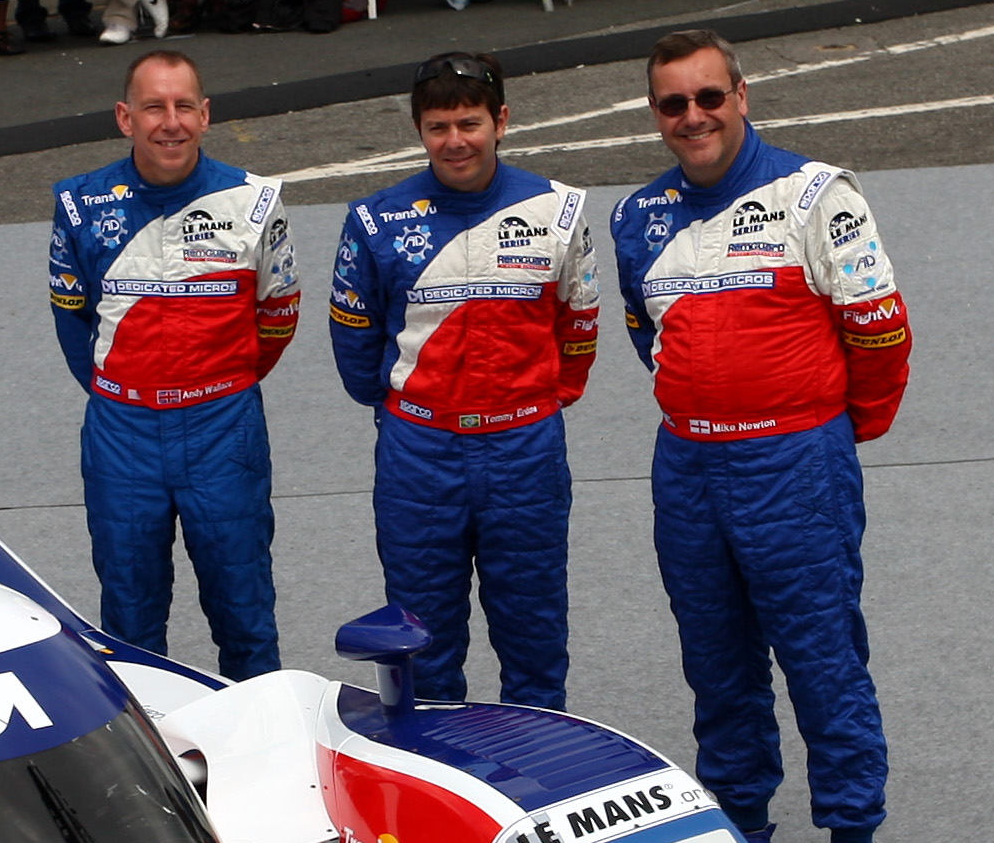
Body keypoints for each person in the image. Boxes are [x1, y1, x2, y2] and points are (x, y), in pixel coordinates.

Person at [611, 28, 912, 843]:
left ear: (741, 95)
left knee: (823, 661)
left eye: (708, 97)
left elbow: (880, 334)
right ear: (656, 114)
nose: (692, 117)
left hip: (794, 466)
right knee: (718, 668)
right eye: (673, 104)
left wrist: (824, 431)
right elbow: (642, 334)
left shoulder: (817, 194)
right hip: (690, 468)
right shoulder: (634, 216)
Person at [329, 50, 600, 708]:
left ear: (499, 121)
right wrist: (411, 409)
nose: (455, 141)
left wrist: (530, 402)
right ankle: (437, 797)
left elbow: (580, 326)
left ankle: (535, 784)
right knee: (421, 645)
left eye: (469, 123)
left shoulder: (557, 211)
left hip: (523, 451)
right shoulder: (374, 221)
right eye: (438, 127)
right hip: (420, 454)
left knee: (534, 639)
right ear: (419, 131)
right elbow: (354, 343)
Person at [48, 50, 299, 679]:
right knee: (130, 621)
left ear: (205, 115)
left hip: (222, 428)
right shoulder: (78, 204)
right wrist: (128, 389)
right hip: (122, 434)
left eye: (184, 106)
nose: (171, 122)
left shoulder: (255, 201)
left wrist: (219, 384)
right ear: (124, 118)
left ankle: (263, 757)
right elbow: (73, 319)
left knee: (244, 613)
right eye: (154, 107)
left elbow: (278, 315)